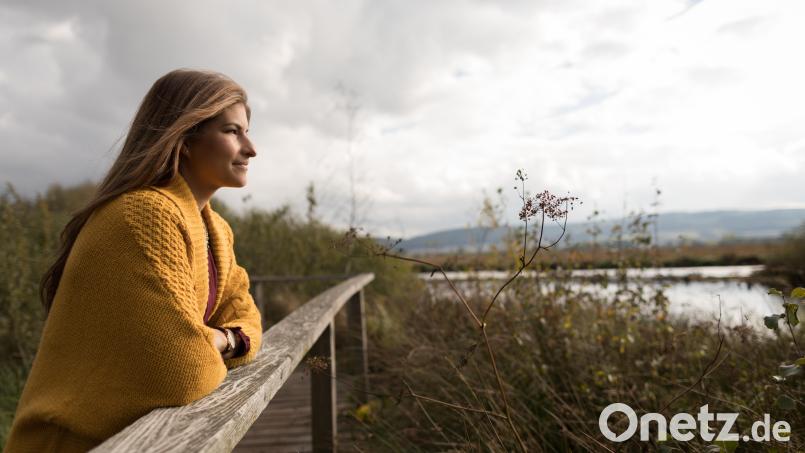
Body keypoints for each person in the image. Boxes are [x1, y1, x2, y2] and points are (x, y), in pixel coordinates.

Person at [3, 68, 262, 452]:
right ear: (185, 139)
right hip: (73, 443)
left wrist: (223, 339)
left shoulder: (217, 230)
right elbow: (183, 372)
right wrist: (222, 343)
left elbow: (249, 320)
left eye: (246, 131)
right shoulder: (145, 214)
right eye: (232, 131)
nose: (251, 148)